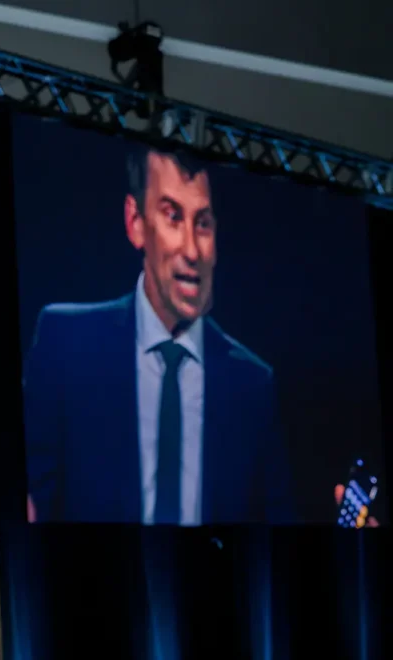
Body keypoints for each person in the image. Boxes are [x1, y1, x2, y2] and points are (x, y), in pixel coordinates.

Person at [23, 147, 293, 525]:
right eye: (172, 217)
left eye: (203, 223)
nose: (191, 249)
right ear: (136, 222)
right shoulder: (66, 344)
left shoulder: (253, 383)